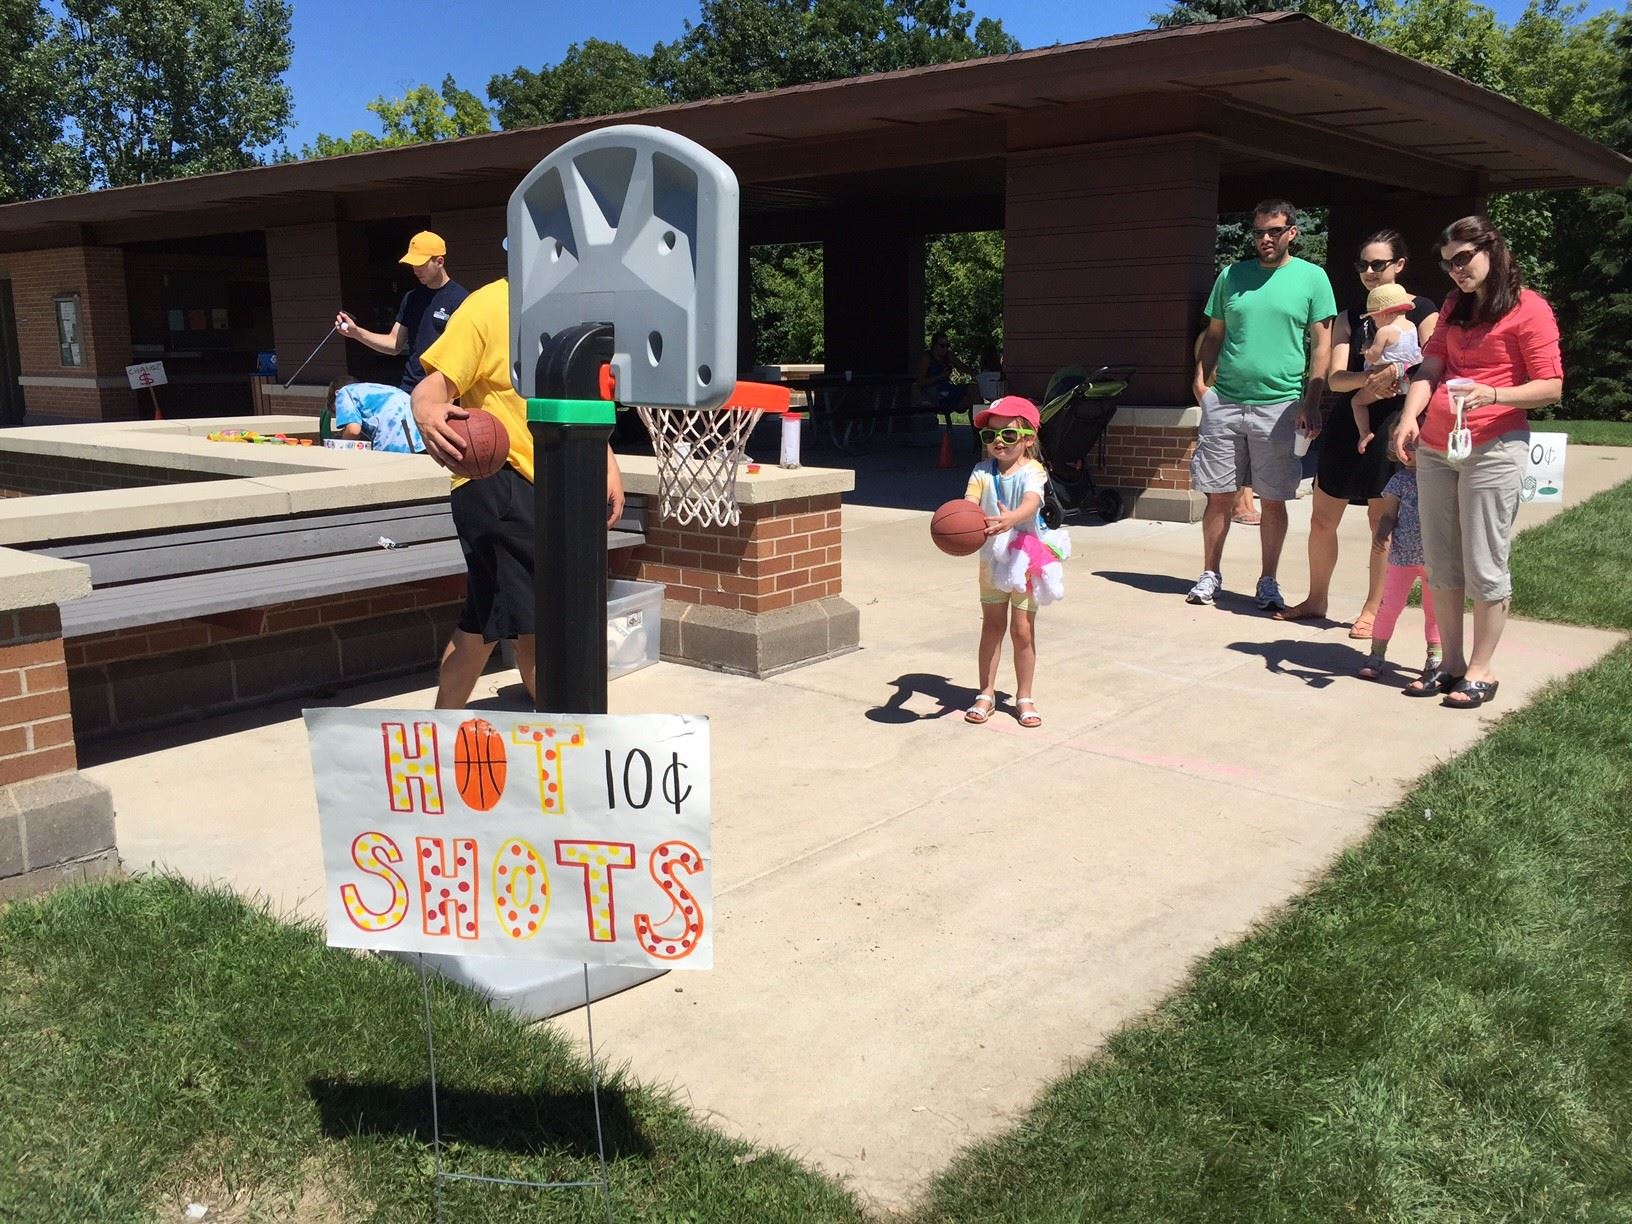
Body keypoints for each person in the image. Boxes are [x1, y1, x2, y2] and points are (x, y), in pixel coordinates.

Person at [411, 277, 625, 710]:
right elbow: (434, 384)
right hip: (496, 485)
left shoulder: (574, 310)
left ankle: (445, 730)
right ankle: (562, 729)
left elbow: (573, 398)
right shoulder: (487, 306)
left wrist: (606, 456)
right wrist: (424, 407)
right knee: (536, 623)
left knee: (495, 623)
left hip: (542, 485)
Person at [1390, 215, 1563, 708]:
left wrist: (1493, 393)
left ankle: (1482, 671)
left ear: (1492, 248)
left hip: (1494, 446)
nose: (1456, 272)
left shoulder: (1530, 309)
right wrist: (1408, 417)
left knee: (1485, 561)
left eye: (1463, 259)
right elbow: (1432, 364)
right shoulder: (1453, 305)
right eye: (1448, 264)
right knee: (1440, 560)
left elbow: (1550, 386)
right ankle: (1451, 664)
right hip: (1437, 446)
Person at [1277, 230, 1439, 634]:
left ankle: (1373, 609)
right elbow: (1336, 377)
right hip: (1351, 420)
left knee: (1379, 522)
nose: (1369, 271)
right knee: (1321, 518)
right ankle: (1316, 599)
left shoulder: (1423, 310)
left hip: (1396, 420)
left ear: (1400, 265)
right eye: (1363, 265)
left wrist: (1395, 380)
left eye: (1378, 264)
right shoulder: (1351, 318)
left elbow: (1433, 366)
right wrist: (1371, 376)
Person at [1187, 200, 1336, 609]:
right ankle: (1210, 574)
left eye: (1273, 231)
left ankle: (1267, 581)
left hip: (1282, 405)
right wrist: (1201, 379)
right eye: (1257, 232)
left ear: (1292, 233)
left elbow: (1322, 343)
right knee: (1219, 494)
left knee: (1272, 498)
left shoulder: (1312, 278)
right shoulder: (1232, 276)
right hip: (1227, 402)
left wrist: (1312, 399)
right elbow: (1215, 333)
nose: (1264, 239)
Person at [963, 395, 1052, 729]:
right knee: (992, 626)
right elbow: (969, 504)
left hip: (1026, 560)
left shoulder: (1033, 471)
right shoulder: (981, 471)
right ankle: (985, 693)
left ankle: (1024, 695)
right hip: (991, 562)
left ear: (1028, 438)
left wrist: (1011, 518)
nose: (998, 441)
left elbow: (1031, 502)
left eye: (1008, 434)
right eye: (990, 435)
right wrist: (962, 522)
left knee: (1022, 630)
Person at [336, 231, 469, 393]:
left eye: (421, 264)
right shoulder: (412, 298)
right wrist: (356, 333)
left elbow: (463, 355)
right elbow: (394, 343)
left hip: (443, 391)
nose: (415, 270)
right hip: (409, 388)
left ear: (439, 262)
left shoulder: (460, 299)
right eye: (413, 264)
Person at [1357, 453, 1440, 683]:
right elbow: (1389, 514)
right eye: (1400, 443)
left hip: (1434, 558)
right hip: (1402, 557)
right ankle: (1376, 654)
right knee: (1389, 606)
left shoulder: (1440, 478)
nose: (1405, 450)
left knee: (1435, 610)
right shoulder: (1399, 480)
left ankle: (1435, 658)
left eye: (1413, 444)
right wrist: (1382, 533)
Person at [1349, 284, 1423, 453]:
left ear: (1383, 313)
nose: (1374, 321)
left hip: (1383, 380)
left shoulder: (1385, 331)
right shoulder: (1411, 326)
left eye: (1374, 317)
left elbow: (1374, 355)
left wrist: (1366, 351)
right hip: (1407, 377)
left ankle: (1364, 433)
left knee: (1357, 402)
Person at [326, 376, 425, 453]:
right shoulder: (373, 389)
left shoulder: (344, 392)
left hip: (395, 436)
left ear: (336, 394)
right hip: (421, 435)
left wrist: (341, 443)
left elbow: (353, 431)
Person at [916, 332, 979, 415]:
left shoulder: (948, 356)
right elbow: (920, 381)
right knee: (972, 398)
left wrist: (974, 373)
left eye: (947, 345)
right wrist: (940, 377)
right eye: (942, 345)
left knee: (974, 394)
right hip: (935, 394)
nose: (945, 348)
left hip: (949, 389)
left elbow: (962, 367)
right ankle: (977, 424)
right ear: (934, 345)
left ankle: (977, 425)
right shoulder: (927, 358)